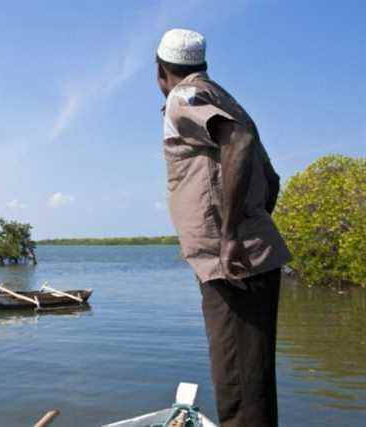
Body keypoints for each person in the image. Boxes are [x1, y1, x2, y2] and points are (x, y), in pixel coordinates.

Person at [155, 29, 291, 427]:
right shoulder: (225, 98)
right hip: (247, 259)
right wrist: (250, 228)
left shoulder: (183, 97)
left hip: (230, 264)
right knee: (254, 386)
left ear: (161, 71)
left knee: (237, 389)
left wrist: (231, 234)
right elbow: (272, 178)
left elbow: (239, 142)